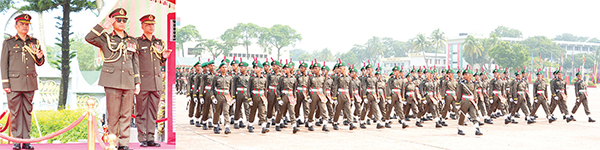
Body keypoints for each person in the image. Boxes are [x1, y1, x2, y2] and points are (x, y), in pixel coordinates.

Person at [85, 8, 140, 150]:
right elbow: (89, 37)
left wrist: (137, 82)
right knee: (113, 115)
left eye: (124, 20)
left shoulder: (132, 40)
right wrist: (102, 26)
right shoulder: (105, 38)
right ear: (113, 21)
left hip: (128, 80)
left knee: (126, 115)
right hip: (112, 80)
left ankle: (124, 145)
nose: (122, 23)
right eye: (118, 20)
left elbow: (135, 62)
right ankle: (112, 143)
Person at [2, 13, 45, 150]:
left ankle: (26, 140)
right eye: (22, 24)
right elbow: (4, 65)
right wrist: (5, 84)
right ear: (16, 26)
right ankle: (16, 140)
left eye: (26, 25)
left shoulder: (34, 42)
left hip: (29, 82)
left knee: (27, 111)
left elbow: (39, 62)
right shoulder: (9, 42)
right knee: (15, 112)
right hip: (14, 84)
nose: (24, 27)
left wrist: (40, 57)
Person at [135, 14, 171, 147]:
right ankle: (142, 137)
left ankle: (151, 137)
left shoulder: (159, 43)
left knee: (152, 111)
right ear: (142, 26)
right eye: (148, 24)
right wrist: (136, 81)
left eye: (152, 24)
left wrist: (164, 58)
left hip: (156, 82)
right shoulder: (138, 42)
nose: (151, 26)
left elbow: (160, 62)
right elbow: (135, 62)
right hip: (143, 82)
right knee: (141, 111)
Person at [456, 66, 483, 136]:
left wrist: (476, 101)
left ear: (470, 76)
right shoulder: (461, 83)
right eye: (464, 74)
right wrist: (457, 103)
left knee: (473, 115)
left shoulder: (473, 83)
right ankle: (460, 128)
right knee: (462, 115)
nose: (465, 76)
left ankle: (477, 129)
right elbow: (458, 94)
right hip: (464, 101)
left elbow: (474, 93)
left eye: (466, 74)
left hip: (471, 101)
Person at [275, 62, 300, 133]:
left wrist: (295, 98)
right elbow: (278, 89)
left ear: (289, 69)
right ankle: (277, 124)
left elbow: (294, 89)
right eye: (284, 68)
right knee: (281, 111)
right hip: (284, 96)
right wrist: (279, 99)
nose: (285, 70)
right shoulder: (281, 78)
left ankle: (294, 126)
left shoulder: (294, 79)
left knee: (292, 112)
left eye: (287, 68)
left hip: (291, 96)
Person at [248, 58, 270, 133]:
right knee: (252, 111)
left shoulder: (264, 78)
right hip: (254, 96)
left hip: (261, 96)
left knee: (262, 111)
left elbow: (265, 89)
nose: (255, 69)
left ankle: (263, 126)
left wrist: (265, 98)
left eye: (257, 67)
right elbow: (248, 89)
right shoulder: (251, 78)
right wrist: (249, 99)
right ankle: (250, 124)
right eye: (254, 67)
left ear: (260, 69)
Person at [211, 62, 234, 134]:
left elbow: (231, 89)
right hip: (218, 96)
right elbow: (212, 89)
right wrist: (213, 97)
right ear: (220, 69)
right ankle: (215, 125)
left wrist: (232, 97)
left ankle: (227, 126)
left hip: (226, 96)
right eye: (223, 67)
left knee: (226, 111)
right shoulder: (216, 77)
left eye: (225, 67)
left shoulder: (229, 78)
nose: (224, 69)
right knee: (217, 112)